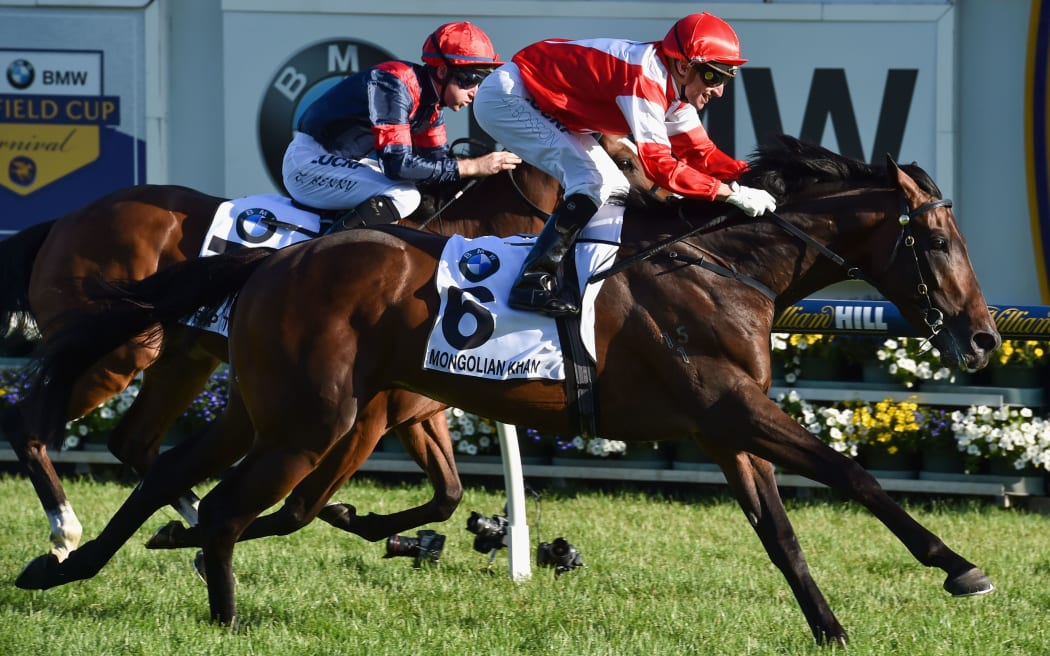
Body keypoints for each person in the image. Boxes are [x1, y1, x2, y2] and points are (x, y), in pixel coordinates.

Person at [473, 12, 777, 317]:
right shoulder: (645, 79)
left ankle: (572, 275)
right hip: (509, 98)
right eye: (713, 76)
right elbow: (661, 167)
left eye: (727, 77)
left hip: (540, 99)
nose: (719, 90)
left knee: (612, 183)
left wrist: (757, 179)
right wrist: (729, 194)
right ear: (684, 66)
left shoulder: (676, 90)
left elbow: (702, 154)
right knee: (592, 180)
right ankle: (531, 284)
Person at [283, 21, 522, 233]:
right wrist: (473, 166)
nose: (474, 93)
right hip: (308, 164)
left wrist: (490, 173)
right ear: (442, 71)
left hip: (348, 163)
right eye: (471, 79)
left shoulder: (431, 108)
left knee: (414, 191)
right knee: (404, 195)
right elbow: (397, 165)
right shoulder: (393, 83)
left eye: (481, 81)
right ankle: (328, 257)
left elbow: (437, 167)